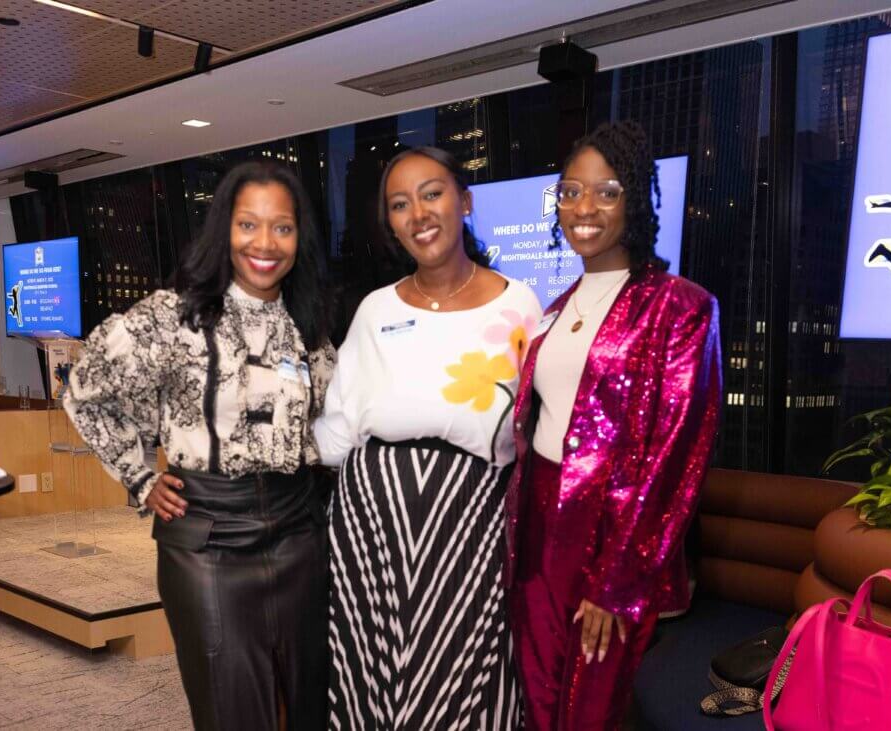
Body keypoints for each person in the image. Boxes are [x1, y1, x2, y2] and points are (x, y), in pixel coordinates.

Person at [64, 161, 335, 731]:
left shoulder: (305, 322)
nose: (265, 243)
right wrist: (139, 478)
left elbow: (330, 424)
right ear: (224, 231)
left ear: (298, 237)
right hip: (207, 540)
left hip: (299, 534)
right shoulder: (173, 316)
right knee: (232, 708)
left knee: (307, 704)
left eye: (281, 228)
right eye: (248, 225)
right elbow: (85, 388)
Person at [315, 146, 542, 730]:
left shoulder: (519, 305)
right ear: (390, 223)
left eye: (432, 193)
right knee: (372, 670)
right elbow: (338, 426)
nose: (418, 213)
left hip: (472, 523)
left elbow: (531, 426)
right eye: (399, 203)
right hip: (370, 526)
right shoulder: (373, 310)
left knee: (467, 669)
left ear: (464, 202)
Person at [505, 122, 722, 730]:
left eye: (606, 191)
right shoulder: (555, 307)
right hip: (538, 525)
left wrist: (618, 580)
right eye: (572, 191)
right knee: (540, 694)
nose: (584, 208)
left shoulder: (680, 306)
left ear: (636, 200)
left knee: (593, 704)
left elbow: (675, 458)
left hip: (610, 535)